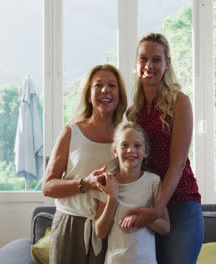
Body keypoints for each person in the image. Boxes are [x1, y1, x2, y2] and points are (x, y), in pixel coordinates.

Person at [125, 32, 204, 263]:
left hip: (180, 205)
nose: (149, 65)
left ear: (166, 64)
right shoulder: (132, 113)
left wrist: (158, 209)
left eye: (156, 59)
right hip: (148, 206)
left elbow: (178, 163)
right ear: (136, 63)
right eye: (143, 59)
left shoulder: (180, 102)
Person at [42, 64, 128, 264]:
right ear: (89, 95)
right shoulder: (71, 132)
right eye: (98, 85)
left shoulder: (125, 138)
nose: (105, 90)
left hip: (106, 228)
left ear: (119, 96)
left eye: (112, 86)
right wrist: (85, 184)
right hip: (69, 225)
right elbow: (47, 187)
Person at [91, 121, 170, 264]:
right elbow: (100, 232)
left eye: (137, 145)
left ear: (145, 152)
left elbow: (165, 227)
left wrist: (142, 218)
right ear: (115, 151)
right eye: (124, 145)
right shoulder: (108, 183)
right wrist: (112, 198)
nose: (130, 150)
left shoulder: (153, 182)